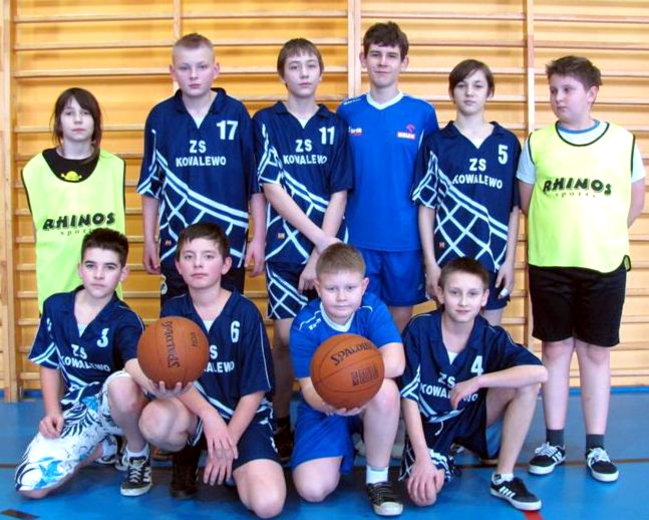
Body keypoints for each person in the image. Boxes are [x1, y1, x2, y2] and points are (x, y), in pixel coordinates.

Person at [517, 56, 646, 482]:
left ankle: (596, 446)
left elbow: (635, 201)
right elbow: (527, 201)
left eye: (567, 90)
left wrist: (600, 235)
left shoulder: (622, 141)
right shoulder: (538, 142)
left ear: (591, 93)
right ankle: (553, 441)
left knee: (595, 353)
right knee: (554, 351)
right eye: (553, 90)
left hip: (604, 264)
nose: (558, 98)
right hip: (550, 264)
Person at [137, 223, 285, 518]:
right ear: (178, 266)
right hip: (196, 415)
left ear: (226, 265)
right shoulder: (173, 312)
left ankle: (233, 463)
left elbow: (256, 390)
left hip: (243, 419)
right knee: (154, 420)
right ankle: (187, 454)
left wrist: (227, 442)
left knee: (268, 505)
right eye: (189, 257)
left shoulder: (245, 313)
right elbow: (174, 378)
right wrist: (208, 415)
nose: (198, 264)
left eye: (208, 256)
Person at [253, 38, 354, 462]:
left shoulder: (335, 125)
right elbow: (271, 188)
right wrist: (317, 242)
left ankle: (332, 416)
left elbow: (339, 191)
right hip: (284, 249)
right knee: (284, 338)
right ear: (282, 74)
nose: (303, 72)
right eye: (294, 66)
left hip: (326, 253)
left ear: (320, 72)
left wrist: (320, 254)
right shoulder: (265, 121)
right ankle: (280, 419)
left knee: (332, 337)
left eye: (310, 65)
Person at [400, 257, 547, 511]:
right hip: (431, 426)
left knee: (526, 384)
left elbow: (540, 372)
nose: (464, 302)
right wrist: (422, 458)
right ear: (441, 294)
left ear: (484, 298)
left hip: (472, 418)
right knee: (425, 496)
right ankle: (442, 454)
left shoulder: (489, 335)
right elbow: (409, 397)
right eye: (455, 293)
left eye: (472, 294)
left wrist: (478, 381)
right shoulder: (420, 328)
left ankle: (504, 477)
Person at [15, 229, 152, 498]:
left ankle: (137, 452)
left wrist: (158, 386)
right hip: (79, 411)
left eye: (109, 267)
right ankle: (104, 449)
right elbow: (50, 363)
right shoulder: (55, 307)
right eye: (91, 266)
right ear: (80, 269)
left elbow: (134, 365)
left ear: (123, 273)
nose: (99, 275)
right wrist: (52, 411)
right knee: (31, 486)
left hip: (118, 409)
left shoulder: (126, 319)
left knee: (121, 384)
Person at [137, 32, 265, 305]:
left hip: (228, 243)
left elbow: (254, 184)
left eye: (202, 67)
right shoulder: (160, 117)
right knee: (176, 324)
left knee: (226, 319)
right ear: (172, 71)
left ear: (215, 70)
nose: (193, 75)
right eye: (184, 68)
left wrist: (259, 238)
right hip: (176, 243)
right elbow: (151, 187)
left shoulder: (235, 113)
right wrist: (148, 239)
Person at [337, 21, 439, 333]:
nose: (383, 62)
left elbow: (431, 184)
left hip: (405, 240)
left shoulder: (422, 113)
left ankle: (393, 368)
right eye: (376, 54)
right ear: (362, 58)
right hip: (359, 238)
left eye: (391, 56)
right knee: (360, 321)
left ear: (404, 62)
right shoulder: (347, 112)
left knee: (398, 324)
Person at [290, 243, 405, 516]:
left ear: (364, 286)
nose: (341, 297)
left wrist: (353, 381)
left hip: (366, 401)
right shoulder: (305, 324)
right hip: (325, 406)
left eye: (350, 288)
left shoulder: (371, 308)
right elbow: (308, 388)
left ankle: (377, 479)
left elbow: (397, 362)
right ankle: (347, 443)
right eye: (332, 289)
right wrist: (334, 401)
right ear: (318, 287)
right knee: (312, 490)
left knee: (387, 391)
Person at [412, 59, 520, 326]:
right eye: (462, 86)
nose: (469, 92)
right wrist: (430, 264)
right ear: (451, 93)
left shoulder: (507, 143)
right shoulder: (436, 143)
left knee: (489, 337)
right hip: (449, 259)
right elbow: (426, 208)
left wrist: (510, 261)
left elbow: (513, 209)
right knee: (451, 337)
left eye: (478, 86)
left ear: (489, 92)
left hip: (493, 258)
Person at [22, 88, 126, 312]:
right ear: (58, 122)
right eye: (69, 113)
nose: (78, 120)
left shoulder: (114, 166)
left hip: (104, 291)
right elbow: (37, 231)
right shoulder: (35, 169)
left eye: (85, 113)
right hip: (56, 288)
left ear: (96, 121)